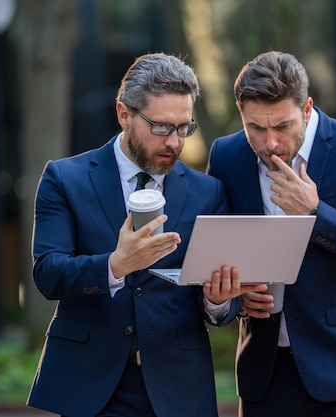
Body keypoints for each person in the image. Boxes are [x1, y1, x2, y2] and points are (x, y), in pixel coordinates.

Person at [27, 53, 264, 417]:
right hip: (91, 385)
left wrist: (219, 299)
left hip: (179, 386)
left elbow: (219, 307)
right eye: (161, 127)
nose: (174, 141)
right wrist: (114, 266)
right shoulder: (65, 178)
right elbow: (48, 273)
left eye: (184, 127)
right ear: (124, 114)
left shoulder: (208, 192)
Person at [207, 51, 336, 417]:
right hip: (265, 376)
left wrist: (315, 214)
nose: (270, 142)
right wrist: (230, 299)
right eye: (256, 128)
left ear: (306, 110)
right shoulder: (226, 156)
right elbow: (213, 253)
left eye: (282, 126)